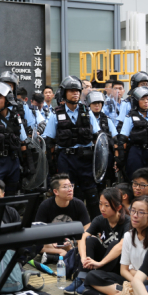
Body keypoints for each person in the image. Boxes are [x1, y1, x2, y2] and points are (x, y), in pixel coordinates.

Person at [42, 76, 101, 219]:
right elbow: (48, 141)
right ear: (64, 93)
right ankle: (71, 227)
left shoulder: (87, 112)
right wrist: (52, 167)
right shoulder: (56, 114)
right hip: (66, 159)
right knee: (70, 195)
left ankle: (96, 228)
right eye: (72, 91)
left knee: (92, 195)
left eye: (78, 91)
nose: (75, 93)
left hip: (86, 159)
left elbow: (99, 139)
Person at [74, 188, 130, 295]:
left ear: (119, 207)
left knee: (115, 243)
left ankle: (90, 279)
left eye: (107, 205)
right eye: (100, 204)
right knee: (90, 240)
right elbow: (82, 237)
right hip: (100, 264)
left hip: (116, 265)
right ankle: (81, 277)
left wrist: (100, 263)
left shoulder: (127, 222)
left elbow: (121, 246)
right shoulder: (100, 219)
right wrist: (83, 258)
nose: (102, 208)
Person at [34, 174, 90, 258]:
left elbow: (88, 228)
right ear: (56, 191)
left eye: (71, 186)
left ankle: (58, 254)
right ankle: (60, 252)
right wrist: (51, 242)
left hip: (73, 242)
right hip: (52, 243)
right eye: (65, 187)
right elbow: (37, 230)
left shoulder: (78, 204)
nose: (70, 189)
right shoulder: (45, 205)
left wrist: (73, 242)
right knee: (35, 244)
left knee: (90, 239)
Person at [116, 87, 148, 183]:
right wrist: (121, 159)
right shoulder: (130, 117)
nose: (146, 102)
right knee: (135, 177)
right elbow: (123, 139)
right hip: (136, 151)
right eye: (143, 99)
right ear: (136, 101)